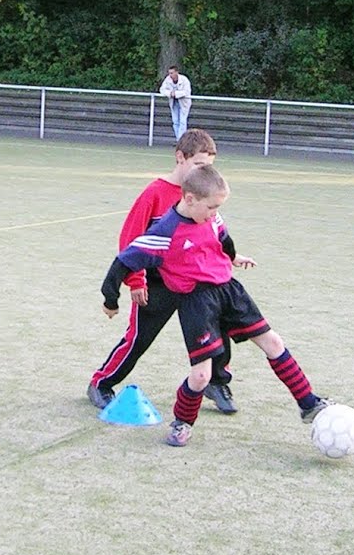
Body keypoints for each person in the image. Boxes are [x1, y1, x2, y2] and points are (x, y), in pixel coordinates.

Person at [101, 164, 333, 448]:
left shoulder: (211, 217)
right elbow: (124, 261)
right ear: (189, 199)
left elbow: (223, 237)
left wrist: (233, 257)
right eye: (211, 207)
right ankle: (182, 422)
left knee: (273, 342)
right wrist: (110, 299)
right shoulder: (165, 232)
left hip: (230, 291)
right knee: (201, 375)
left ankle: (308, 403)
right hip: (196, 302)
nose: (215, 213)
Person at [87, 128, 238, 415]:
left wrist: (229, 258)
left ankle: (217, 382)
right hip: (157, 285)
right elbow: (131, 242)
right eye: (199, 165)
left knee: (219, 331)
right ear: (180, 158)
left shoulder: (204, 194)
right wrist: (135, 280)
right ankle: (101, 382)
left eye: (209, 167)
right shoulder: (155, 193)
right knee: (138, 338)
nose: (205, 172)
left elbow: (212, 234)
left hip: (195, 284)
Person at [159, 65, 191, 139]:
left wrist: (176, 94)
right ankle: (178, 139)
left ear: (176, 72)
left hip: (184, 103)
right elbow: (162, 90)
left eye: (172, 73)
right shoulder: (167, 79)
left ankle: (181, 140)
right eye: (169, 73)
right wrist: (169, 93)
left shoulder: (184, 80)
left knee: (182, 122)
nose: (170, 75)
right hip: (174, 103)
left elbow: (186, 92)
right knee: (175, 122)